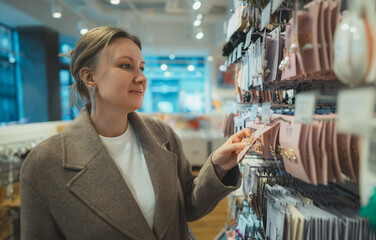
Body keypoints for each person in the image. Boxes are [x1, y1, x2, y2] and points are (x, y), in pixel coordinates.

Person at [20, 26, 251, 240]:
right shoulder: (44, 163)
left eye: (141, 67)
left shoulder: (160, 134)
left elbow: (188, 204)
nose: (141, 77)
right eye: (125, 66)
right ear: (90, 77)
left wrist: (218, 168)